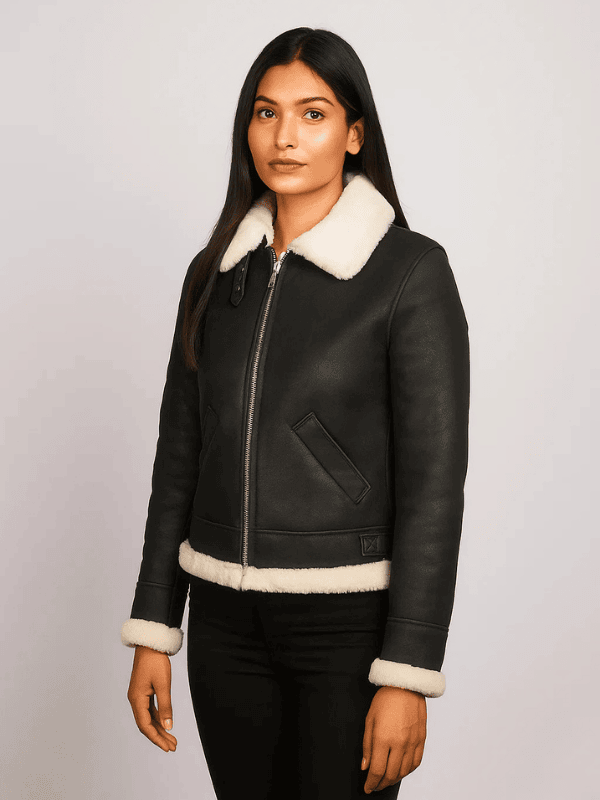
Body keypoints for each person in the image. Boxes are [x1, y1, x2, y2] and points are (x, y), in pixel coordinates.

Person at [121, 26, 470, 800]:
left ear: (354, 134)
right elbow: (179, 459)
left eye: (313, 114)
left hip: (348, 629)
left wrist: (408, 670)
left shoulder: (409, 273)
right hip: (223, 627)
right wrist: (155, 627)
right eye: (266, 112)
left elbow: (434, 489)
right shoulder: (213, 275)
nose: (285, 136)